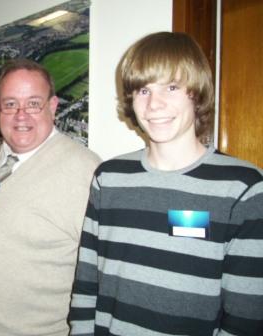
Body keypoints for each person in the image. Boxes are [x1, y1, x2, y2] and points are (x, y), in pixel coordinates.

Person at [69, 31, 263, 335]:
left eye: (171, 87)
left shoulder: (242, 188)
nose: (154, 105)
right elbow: (86, 279)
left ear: (196, 93)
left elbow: (246, 317)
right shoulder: (109, 177)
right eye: (143, 90)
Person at [0, 58, 101, 335]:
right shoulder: (1, 154)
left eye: (33, 103)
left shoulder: (85, 171)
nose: (21, 115)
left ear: (53, 106)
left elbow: (102, 275)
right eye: (10, 104)